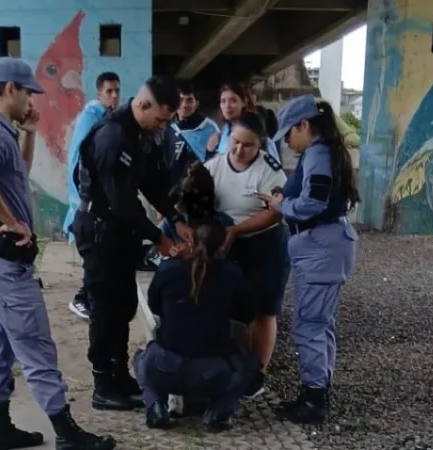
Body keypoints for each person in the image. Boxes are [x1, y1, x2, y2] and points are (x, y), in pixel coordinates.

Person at [0, 57, 116, 450]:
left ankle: (0, 428)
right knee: (36, 347)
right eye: (28, 92)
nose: (32, 100)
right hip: (4, 263)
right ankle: (66, 433)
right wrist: (11, 221)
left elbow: (16, 171)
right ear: (10, 89)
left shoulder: (3, 131)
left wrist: (30, 134)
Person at [71, 76, 192, 411]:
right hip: (99, 230)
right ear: (143, 105)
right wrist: (160, 238)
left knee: (123, 304)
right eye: (161, 119)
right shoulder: (113, 136)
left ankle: (120, 374)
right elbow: (123, 202)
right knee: (103, 308)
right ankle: (102, 385)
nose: (163, 126)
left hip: (119, 231)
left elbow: (151, 183)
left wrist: (175, 218)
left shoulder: (141, 133)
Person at [258, 95, 360, 425]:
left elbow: (313, 202)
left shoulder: (318, 154)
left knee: (309, 326)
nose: (287, 142)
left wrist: (280, 206)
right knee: (320, 323)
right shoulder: (325, 151)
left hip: (321, 248)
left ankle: (315, 401)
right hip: (326, 246)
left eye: (289, 133)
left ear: (304, 125)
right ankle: (317, 391)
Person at [133, 220, 260, 432]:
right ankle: (218, 412)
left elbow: (155, 306)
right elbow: (247, 314)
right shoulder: (231, 273)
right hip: (213, 372)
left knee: (139, 359)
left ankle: (155, 405)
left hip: (164, 366)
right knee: (251, 363)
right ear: (223, 245)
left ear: (190, 240)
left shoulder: (168, 267)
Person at [205, 111, 290, 399]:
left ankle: (257, 373)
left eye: (248, 145)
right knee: (227, 306)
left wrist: (237, 230)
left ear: (261, 144)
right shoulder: (214, 166)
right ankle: (226, 365)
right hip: (227, 243)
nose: (239, 150)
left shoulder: (270, 171)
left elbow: (275, 213)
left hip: (264, 243)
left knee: (264, 310)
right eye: (235, 142)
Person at [63, 72, 121, 321]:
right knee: (95, 258)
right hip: (87, 203)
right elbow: (79, 160)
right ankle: (82, 299)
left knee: (101, 257)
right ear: (99, 94)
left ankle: (92, 299)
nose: (114, 96)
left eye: (117, 91)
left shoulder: (107, 118)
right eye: (109, 91)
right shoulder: (91, 118)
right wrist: (82, 197)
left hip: (98, 203)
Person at [216, 82, 281, 164]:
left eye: (233, 100)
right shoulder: (225, 132)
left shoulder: (257, 132)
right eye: (223, 101)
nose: (227, 106)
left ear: (244, 102)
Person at [173, 80, 221, 162]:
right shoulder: (167, 127)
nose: (184, 105)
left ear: (197, 103)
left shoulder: (210, 128)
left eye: (189, 100)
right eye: (180, 100)